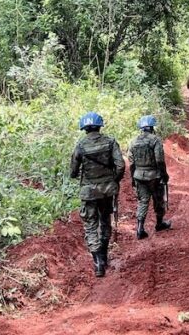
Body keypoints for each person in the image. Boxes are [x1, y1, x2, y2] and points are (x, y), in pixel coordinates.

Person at [70, 112, 124, 277]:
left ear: (84, 127)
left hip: (88, 192)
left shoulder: (80, 145)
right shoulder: (110, 142)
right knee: (105, 220)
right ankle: (104, 256)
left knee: (90, 225)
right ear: (100, 125)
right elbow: (120, 165)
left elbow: (73, 172)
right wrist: (113, 180)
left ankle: (98, 263)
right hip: (107, 191)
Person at [128, 115, 171, 240]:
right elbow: (159, 160)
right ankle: (159, 223)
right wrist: (164, 174)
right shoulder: (155, 140)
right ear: (152, 127)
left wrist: (133, 178)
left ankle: (140, 228)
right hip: (154, 176)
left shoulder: (134, 141)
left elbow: (131, 162)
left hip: (139, 176)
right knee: (158, 200)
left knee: (143, 201)